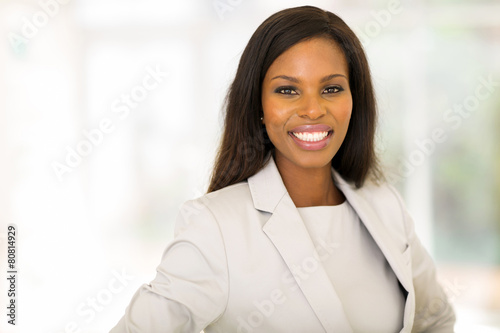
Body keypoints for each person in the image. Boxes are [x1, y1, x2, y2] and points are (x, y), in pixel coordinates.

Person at [110, 6, 456, 333]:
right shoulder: (215, 227)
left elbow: (436, 319)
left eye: (331, 88)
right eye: (287, 90)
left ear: (355, 99)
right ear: (258, 105)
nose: (312, 109)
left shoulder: (385, 205)